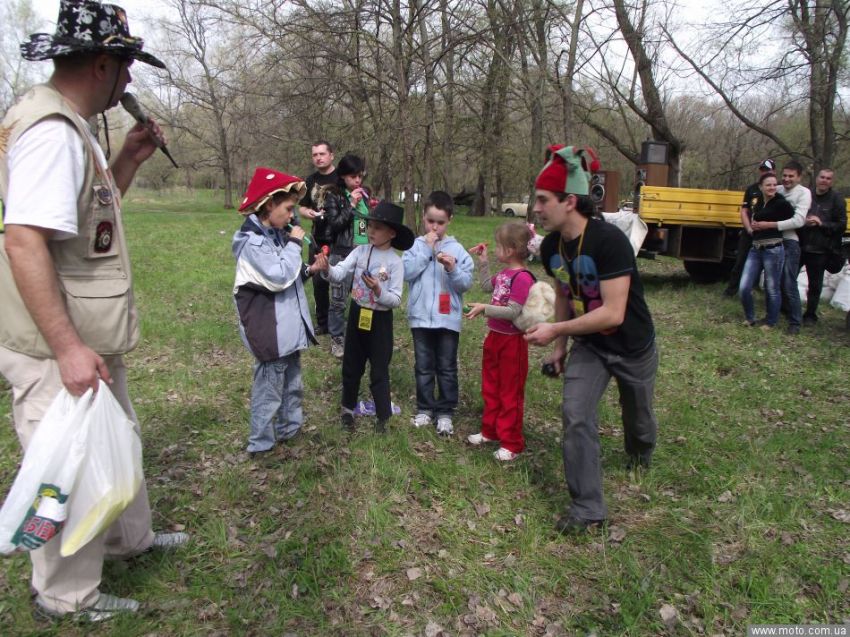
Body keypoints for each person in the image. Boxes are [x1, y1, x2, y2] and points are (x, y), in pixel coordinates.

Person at [0, 0, 187, 621]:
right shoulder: (52, 133)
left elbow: (87, 226)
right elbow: (24, 238)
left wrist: (127, 160)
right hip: (60, 345)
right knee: (69, 468)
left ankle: (126, 540)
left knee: (118, 441)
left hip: (86, 335)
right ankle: (64, 595)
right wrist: (65, 348)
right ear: (101, 64)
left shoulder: (73, 126)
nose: (130, 82)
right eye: (126, 67)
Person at [524, 145, 658, 534]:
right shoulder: (551, 247)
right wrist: (561, 347)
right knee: (576, 414)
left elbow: (613, 313)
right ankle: (588, 508)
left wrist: (556, 331)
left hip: (633, 347)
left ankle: (640, 453)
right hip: (592, 346)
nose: (536, 208)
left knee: (640, 420)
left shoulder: (609, 242)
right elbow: (565, 294)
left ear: (569, 201)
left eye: (542, 200)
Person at [232, 168, 327, 458]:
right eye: (287, 209)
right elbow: (277, 277)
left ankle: (290, 428)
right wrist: (296, 242)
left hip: (286, 326)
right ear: (269, 205)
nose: (291, 216)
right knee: (270, 386)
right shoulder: (252, 243)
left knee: (292, 383)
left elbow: (290, 276)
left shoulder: (273, 235)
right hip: (269, 328)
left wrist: (310, 270)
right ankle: (260, 443)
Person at [316, 202, 414, 433]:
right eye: (369, 225)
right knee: (352, 364)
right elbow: (340, 272)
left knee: (379, 368)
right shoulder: (360, 252)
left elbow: (396, 299)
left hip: (380, 321)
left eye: (378, 228)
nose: (371, 231)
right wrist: (327, 270)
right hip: (358, 314)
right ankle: (347, 410)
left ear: (392, 232)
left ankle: (383, 417)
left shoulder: (395, 262)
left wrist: (379, 290)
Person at [403, 190, 474, 436]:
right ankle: (425, 408)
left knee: (446, 366)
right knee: (423, 365)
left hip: (447, 319)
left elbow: (465, 283)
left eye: (440, 222)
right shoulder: (414, 246)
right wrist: (425, 249)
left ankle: (445, 412)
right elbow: (407, 272)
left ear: (450, 220)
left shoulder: (459, 250)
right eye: (430, 221)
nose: (435, 227)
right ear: (423, 218)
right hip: (421, 317)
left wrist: (453, 268)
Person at [465, 222, 535, 461]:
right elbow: (486, 286)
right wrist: (483, 262)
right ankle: (491, 431)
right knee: (491, 386)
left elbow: (514, 311)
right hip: (494, 338)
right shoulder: (504, 274)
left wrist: (486, 309)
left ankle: (512, 442)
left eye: (498, 246)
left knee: (510, 392)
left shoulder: (523, 278)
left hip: (513, 343)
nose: (495, 249)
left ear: (512, 249)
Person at [752, 160, 810, 334]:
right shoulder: (776, 190)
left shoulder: (804, 193)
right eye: (784, 175)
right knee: (772, 282)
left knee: (788, 282)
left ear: (799, 177)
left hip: (789, 241)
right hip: (770, 242)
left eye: (791, 176)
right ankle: (771, 317)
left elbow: (799, 221)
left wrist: (769, 225)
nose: (786, 179)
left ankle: (795, 322)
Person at [323, 154, 371, 359]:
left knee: (364, 299)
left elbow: (367, 222)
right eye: (353, 177)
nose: (357, 181)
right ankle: (337, 338)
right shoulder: (334, 195)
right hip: (342, 253)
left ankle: (363, 336)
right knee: (338, 300)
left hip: (363, 252)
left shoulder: (364, 194)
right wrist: (350, 205)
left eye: (360, 176)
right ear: (343, 176)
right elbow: (334, 225)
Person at [738, 172, 795, 328]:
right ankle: (750, 318)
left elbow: (794, 221)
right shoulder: (758, 202)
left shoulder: (781, 203)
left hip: (773, 249)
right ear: (761, 187)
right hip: (755, 248)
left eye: (774, 185)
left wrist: (770, 224)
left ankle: (771, 322)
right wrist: (751, 228)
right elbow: (751, 217)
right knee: (744, 287)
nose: (772, 187)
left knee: (772, 288)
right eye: (768, 185)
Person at [299, 141, 337, 335]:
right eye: (315, 155)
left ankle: (339, 319)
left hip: (340, 238)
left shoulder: (341, 178)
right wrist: (309, 214)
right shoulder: (310, 180)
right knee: (319, 282)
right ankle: (323, 323)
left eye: (322, 154)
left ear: (331, 155)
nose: (318, 158)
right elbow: (302, 207)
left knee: (340, 280)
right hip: (317, 237)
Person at [799, 168, 847, 325]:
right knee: (788, 277)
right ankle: (787, 308)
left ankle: (810, 315)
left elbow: (841, 225)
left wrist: (821, 223)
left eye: (828, 178)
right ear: (816, 178)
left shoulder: (837, 199)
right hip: (800, 244)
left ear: (831, 181)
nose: (824, 180)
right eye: (822, 177)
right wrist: (803, 220)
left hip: (820, 249)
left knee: (815, 284)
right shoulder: (806, 194)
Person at [724, 159, 775, 297]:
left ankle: (761, 292)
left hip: (768, 234)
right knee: (740, 262)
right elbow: (745, 210)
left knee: (768, 267)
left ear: (774, 171)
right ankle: (731, 291)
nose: (765, 172)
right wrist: (748, 228)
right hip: (750, 233)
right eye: (763, 169)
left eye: (768, 170)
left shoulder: (777, 188)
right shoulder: (752, 189)